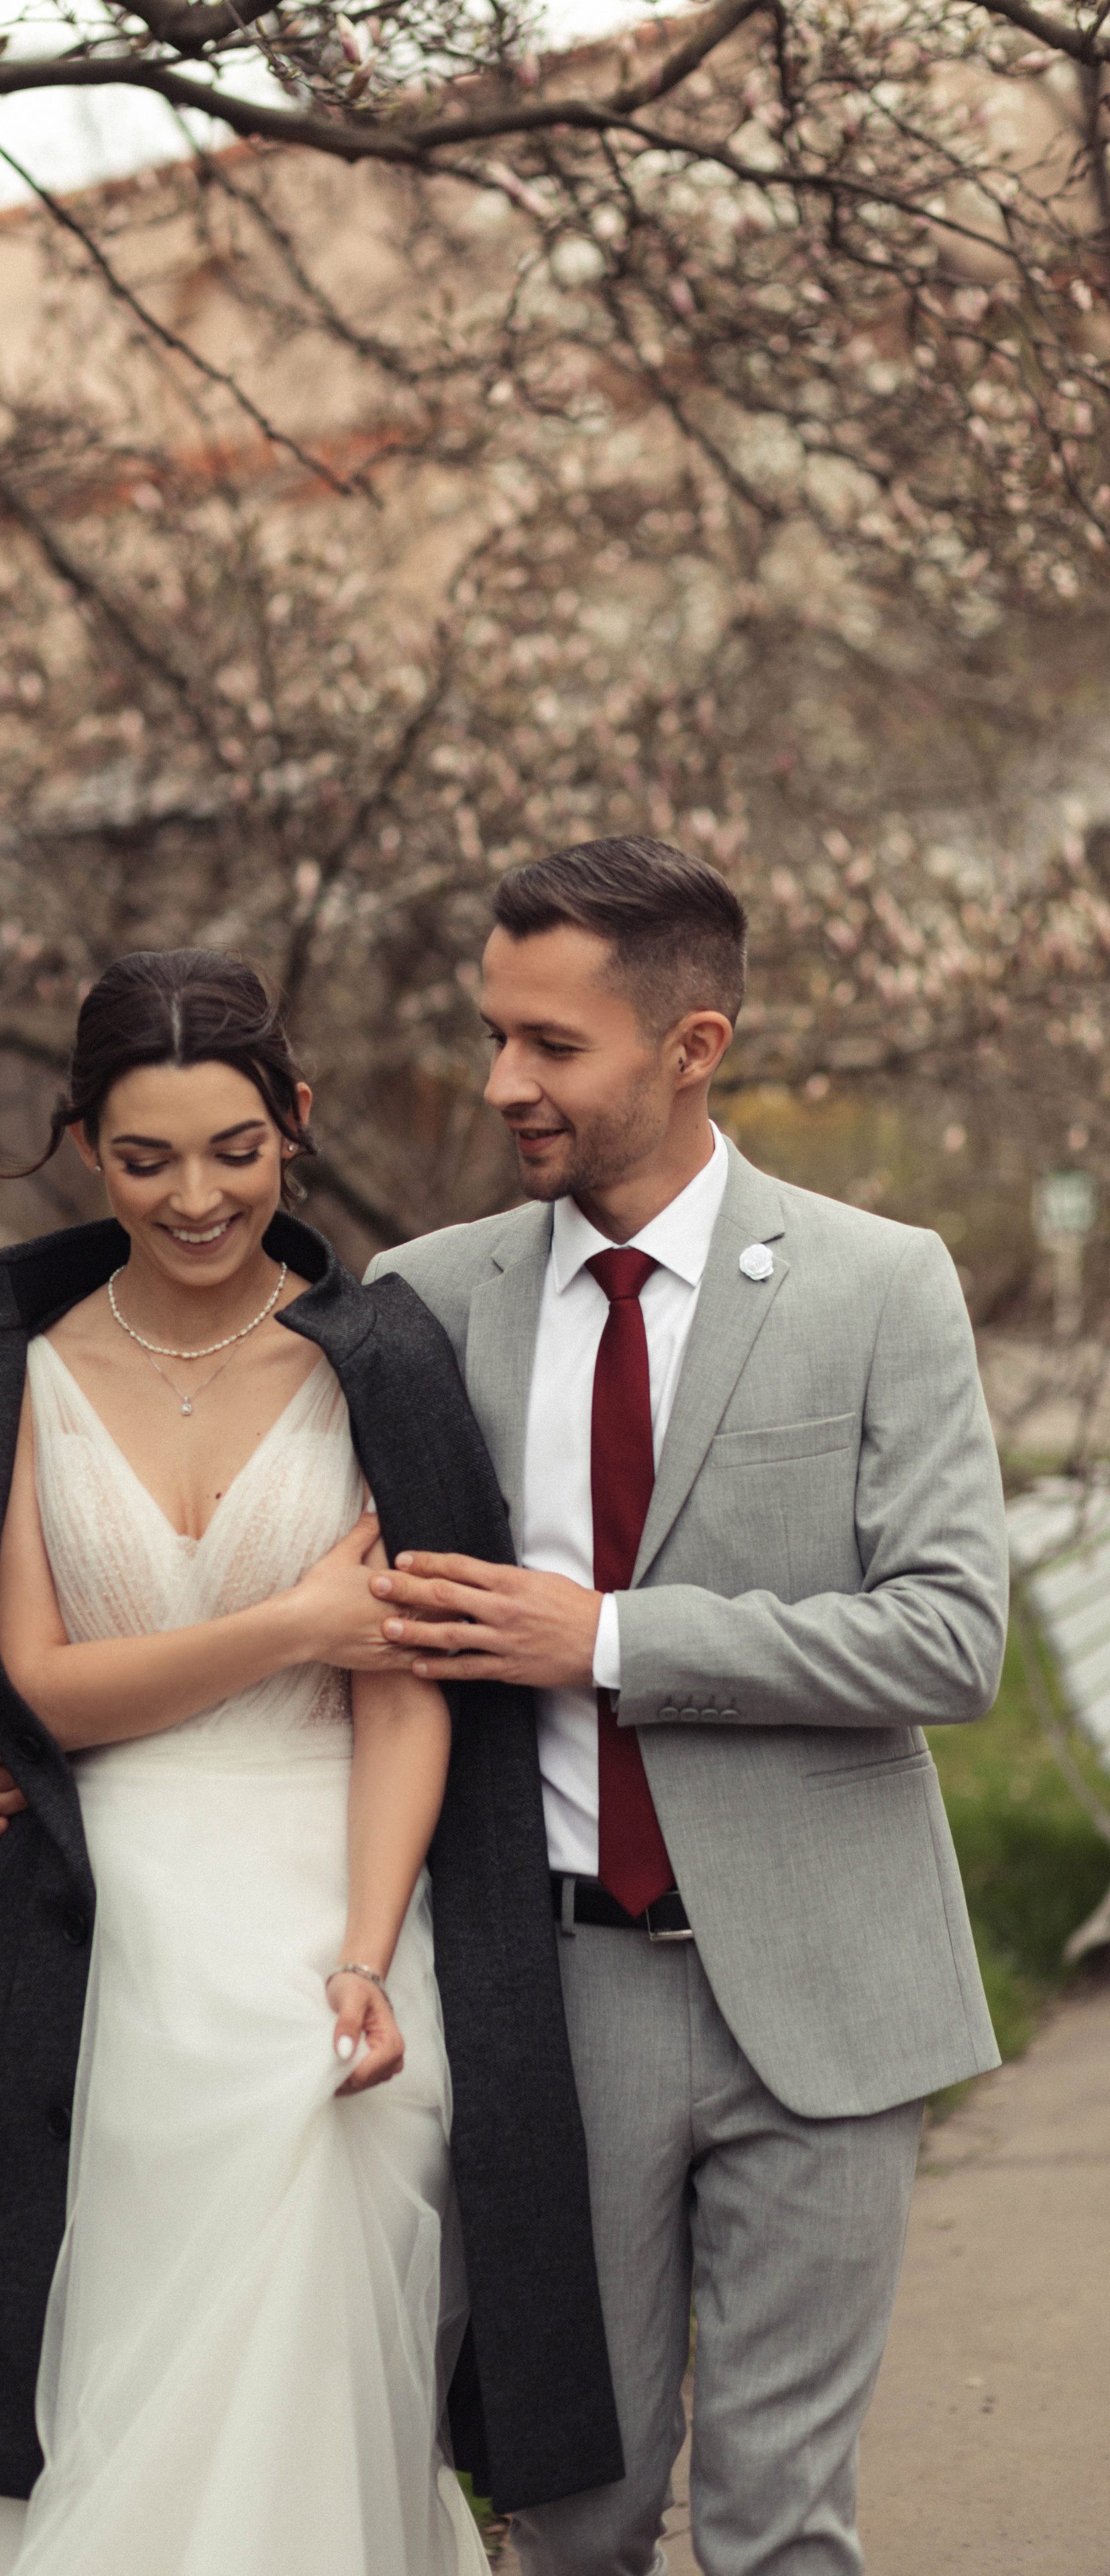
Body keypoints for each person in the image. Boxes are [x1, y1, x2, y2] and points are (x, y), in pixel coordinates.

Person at [0, 949, 621, 2576]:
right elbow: (38, 1694)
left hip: (335, 1895)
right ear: (82, 1147)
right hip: (104, 1918)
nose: (194, 1198)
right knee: (106, 2341)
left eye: (234, 1152)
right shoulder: (14, 1384)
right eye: (143, 1160)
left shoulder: (381, 1362)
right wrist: (290, 1624)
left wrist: (363, 1951)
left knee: (327, 2273)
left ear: (296, 1125)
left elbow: (408, 1691)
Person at [359, 837, 1009, 2576]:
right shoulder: (427, 1301)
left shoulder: (886, 1284)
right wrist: (66, 1746)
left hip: (833, 1984)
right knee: (571, 2518)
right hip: (552, 1995)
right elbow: (334, 1611)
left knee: (783, 2527)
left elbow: (952, 1639)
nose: (504, 1081)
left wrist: (615, 1641)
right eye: (497, 1033)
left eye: (551, 1045)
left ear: (692, 1045)